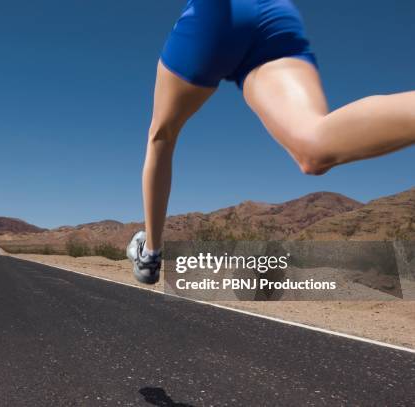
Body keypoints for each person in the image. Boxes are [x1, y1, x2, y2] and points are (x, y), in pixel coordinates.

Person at [127, 0, 415, 284]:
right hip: (272, 14)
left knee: (161, 136)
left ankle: (150, 252)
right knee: (312, 144)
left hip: (212, 18)